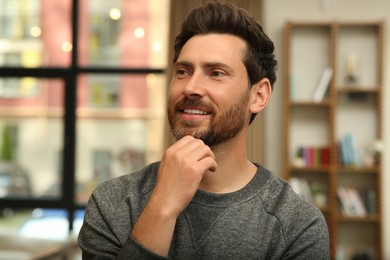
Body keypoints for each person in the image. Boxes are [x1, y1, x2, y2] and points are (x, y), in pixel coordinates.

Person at [78, 2, 329, 259]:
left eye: (216, 73)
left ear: (259, 95)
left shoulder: (297, 225)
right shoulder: (112, 203)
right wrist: (162, 207)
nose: (191, 87)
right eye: (183, 71)